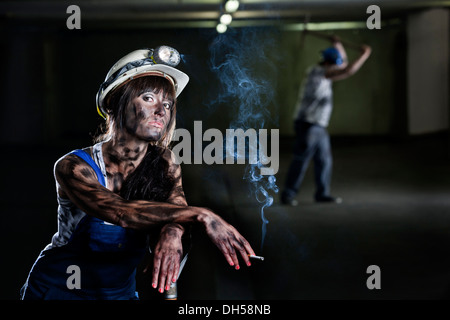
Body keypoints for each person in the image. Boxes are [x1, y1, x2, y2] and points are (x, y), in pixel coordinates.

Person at [20, 45, 255, 300]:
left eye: (167, 103)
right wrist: (203, 215)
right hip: (58, 291)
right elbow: (120, 212)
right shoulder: (74, 167)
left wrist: (172, 231)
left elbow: (177, 209)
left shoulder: (166, 161)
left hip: (119, 294)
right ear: (115, 102)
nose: (161, 110)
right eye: (148, 98)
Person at [281, 36, 371, 206]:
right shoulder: (320, 73)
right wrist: (364, 55)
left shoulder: (323, 70)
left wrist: (337, 44)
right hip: (309, 124)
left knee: (324, 160)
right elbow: (348, 70)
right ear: (331, 63)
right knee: (301, 159)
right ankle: (288, 195)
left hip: (318, 126)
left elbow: (342, 64)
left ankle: (322, 193)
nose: (340, 65)